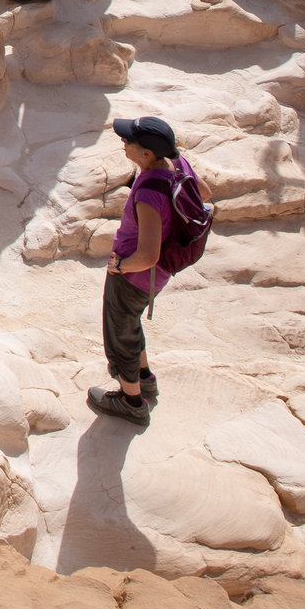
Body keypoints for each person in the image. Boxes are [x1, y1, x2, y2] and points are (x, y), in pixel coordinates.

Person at [86, 115, 210, 429]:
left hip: (134, 277)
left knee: (120, 335)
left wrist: (118, 266)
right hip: (152, 278)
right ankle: (144, 379)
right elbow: (204, 193)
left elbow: (147, 255)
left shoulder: (148, 195)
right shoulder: (178, 164)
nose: (123, 143)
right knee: (130, 324)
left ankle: (131, 403)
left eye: (129, 141)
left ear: (147, 154)